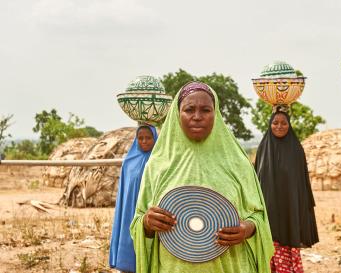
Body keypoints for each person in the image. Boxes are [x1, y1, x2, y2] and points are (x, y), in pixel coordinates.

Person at [130, 81, 274, 273]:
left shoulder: (238, 164)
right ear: (176, 114)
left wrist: (247, 229)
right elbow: (139, 221)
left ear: (216, 114)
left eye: (206, 110)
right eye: (189, 109)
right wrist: (147, 223)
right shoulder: (157, 165)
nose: (197, 117)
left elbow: (259, 217)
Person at [254, 109, 319, 273]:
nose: (279, 126)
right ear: (269, 125)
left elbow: (301, 183)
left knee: (287, 246)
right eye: (275, 123)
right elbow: (256, 179)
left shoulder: (296, 150)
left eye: (284, 123)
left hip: (290, 208)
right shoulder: (263, 148)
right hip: (268, 208)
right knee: (268, 247)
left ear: (290, 125)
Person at [110, 125, 158, 273]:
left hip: (148, 213)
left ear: (155, 139)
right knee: (129, 245)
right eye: (140, 138)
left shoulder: (159, 161)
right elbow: (124, 192)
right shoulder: (129, 162)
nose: (144, 141)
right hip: (129, 213)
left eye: (148, 138)